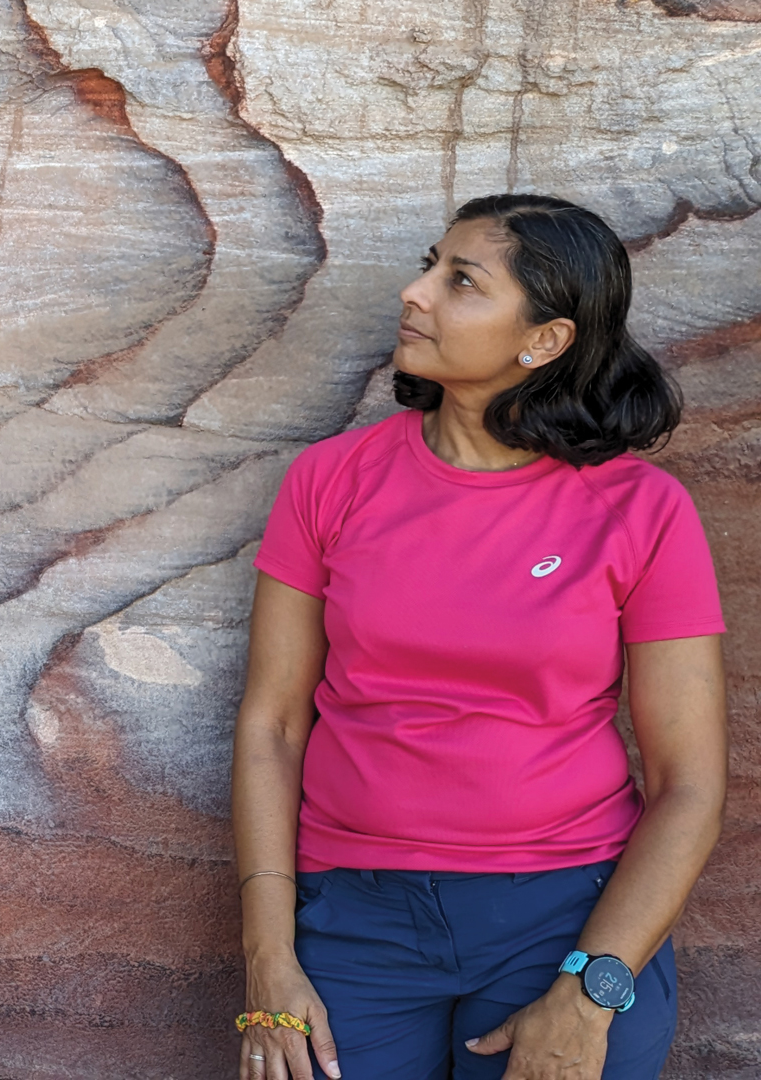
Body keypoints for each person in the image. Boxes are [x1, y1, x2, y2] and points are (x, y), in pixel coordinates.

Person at [231, 193, 728, 1080]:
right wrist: (269, 957)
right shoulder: (330, 481)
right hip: (352, 917)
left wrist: (590, 990)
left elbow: (689, 784)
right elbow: (272, 727)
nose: (414, 292)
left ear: (543, 342)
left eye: (459, 280)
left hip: (569, 922)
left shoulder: (641, 513)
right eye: (430, 264)